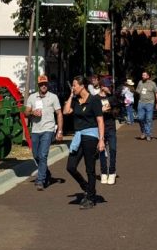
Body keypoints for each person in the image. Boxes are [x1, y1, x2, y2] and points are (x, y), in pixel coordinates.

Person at [63, 75, 105, 209]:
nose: (73, 88)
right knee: (70, 166)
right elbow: (66, 111)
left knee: (90, 169)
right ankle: (86, 187)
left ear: (82, 86)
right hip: (78, 137)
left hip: (91, 136)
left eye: (75, 85)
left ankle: (91, 198)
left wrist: (101, 140)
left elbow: (100, 121)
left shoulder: (94, 100)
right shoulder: (75, 100)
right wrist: (70, 96)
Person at [25, 74, 64, 191]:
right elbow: (25, 112)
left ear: (47, 84)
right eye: (41, 84)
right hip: (36, 130)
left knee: (43, 155)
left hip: (48, 129)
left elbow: (59, 114)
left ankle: (40, 180)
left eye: (45, 84)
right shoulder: (32, 97)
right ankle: (46, 173)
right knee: (36, 155)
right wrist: (32, 112)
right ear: (38, 85)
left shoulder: (53, 97)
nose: (43, 86)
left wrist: (60, 130)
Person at [98, 83, 121, 185]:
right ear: (102, 86)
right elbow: (92, 112)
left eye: (110, 86)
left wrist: (112, 111)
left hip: (111, 127)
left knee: (113, 149)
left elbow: (118, 110)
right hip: (100, 128)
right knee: (101, 150)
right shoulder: (95, 98)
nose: (109, 88)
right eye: (107, 86)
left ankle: (112, 171)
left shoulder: (113, 98)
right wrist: (100, 111)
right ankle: (103, 172)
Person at [136, 71, 157, 141]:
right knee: (140, 118)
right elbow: (137, 91)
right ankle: (143, 132)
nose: (142, 76)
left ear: (148, 76)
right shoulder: (140, 82)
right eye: (142, 75)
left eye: (144, 75)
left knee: (149, 119)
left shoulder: (153, 84)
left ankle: (148, 134)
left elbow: (156, 93)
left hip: (150, 103)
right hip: (141, 103)